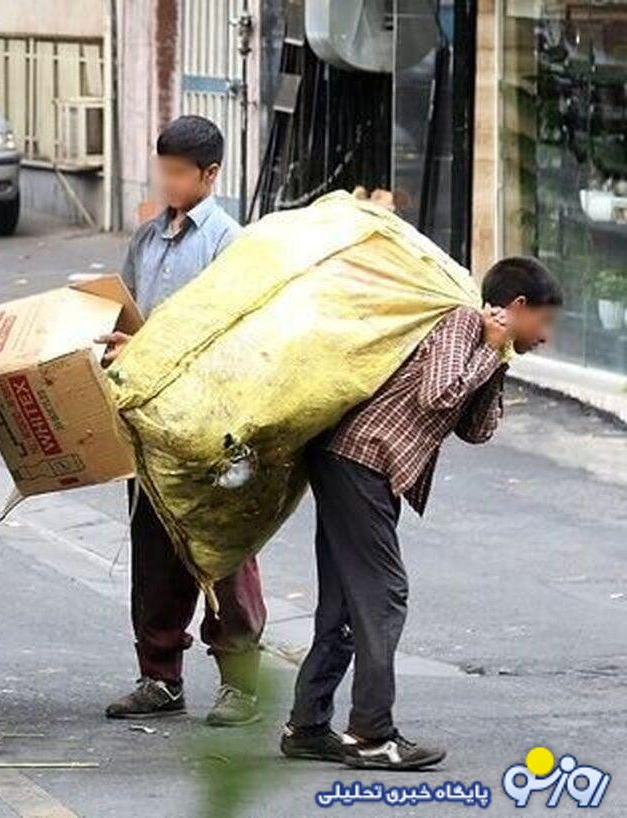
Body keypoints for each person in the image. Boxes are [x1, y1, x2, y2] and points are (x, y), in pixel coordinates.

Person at [280, 257, 563, 771]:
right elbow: (437, 396)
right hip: (360, 459)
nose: (545, 337)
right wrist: (489, 348)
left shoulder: (487, 344)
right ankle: (371, 734)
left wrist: (495, 359)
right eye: (543, 322)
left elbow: (474, 430)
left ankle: (307, 727)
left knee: (346, 601)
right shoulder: (460, 321)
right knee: (384, 596)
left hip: (363, 467)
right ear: (517, 306)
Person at [99, 115, 268, 727]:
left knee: (222, 549)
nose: (167, 183)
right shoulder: (147, 240)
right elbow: (134, 317)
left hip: (212, 423)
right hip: (149, 421)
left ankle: (241, 683)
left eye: (178, 173)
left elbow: (229, 334)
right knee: (154, 551)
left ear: (211, 174)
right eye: (161, 171)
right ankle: (159, 675)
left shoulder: (229, 242)